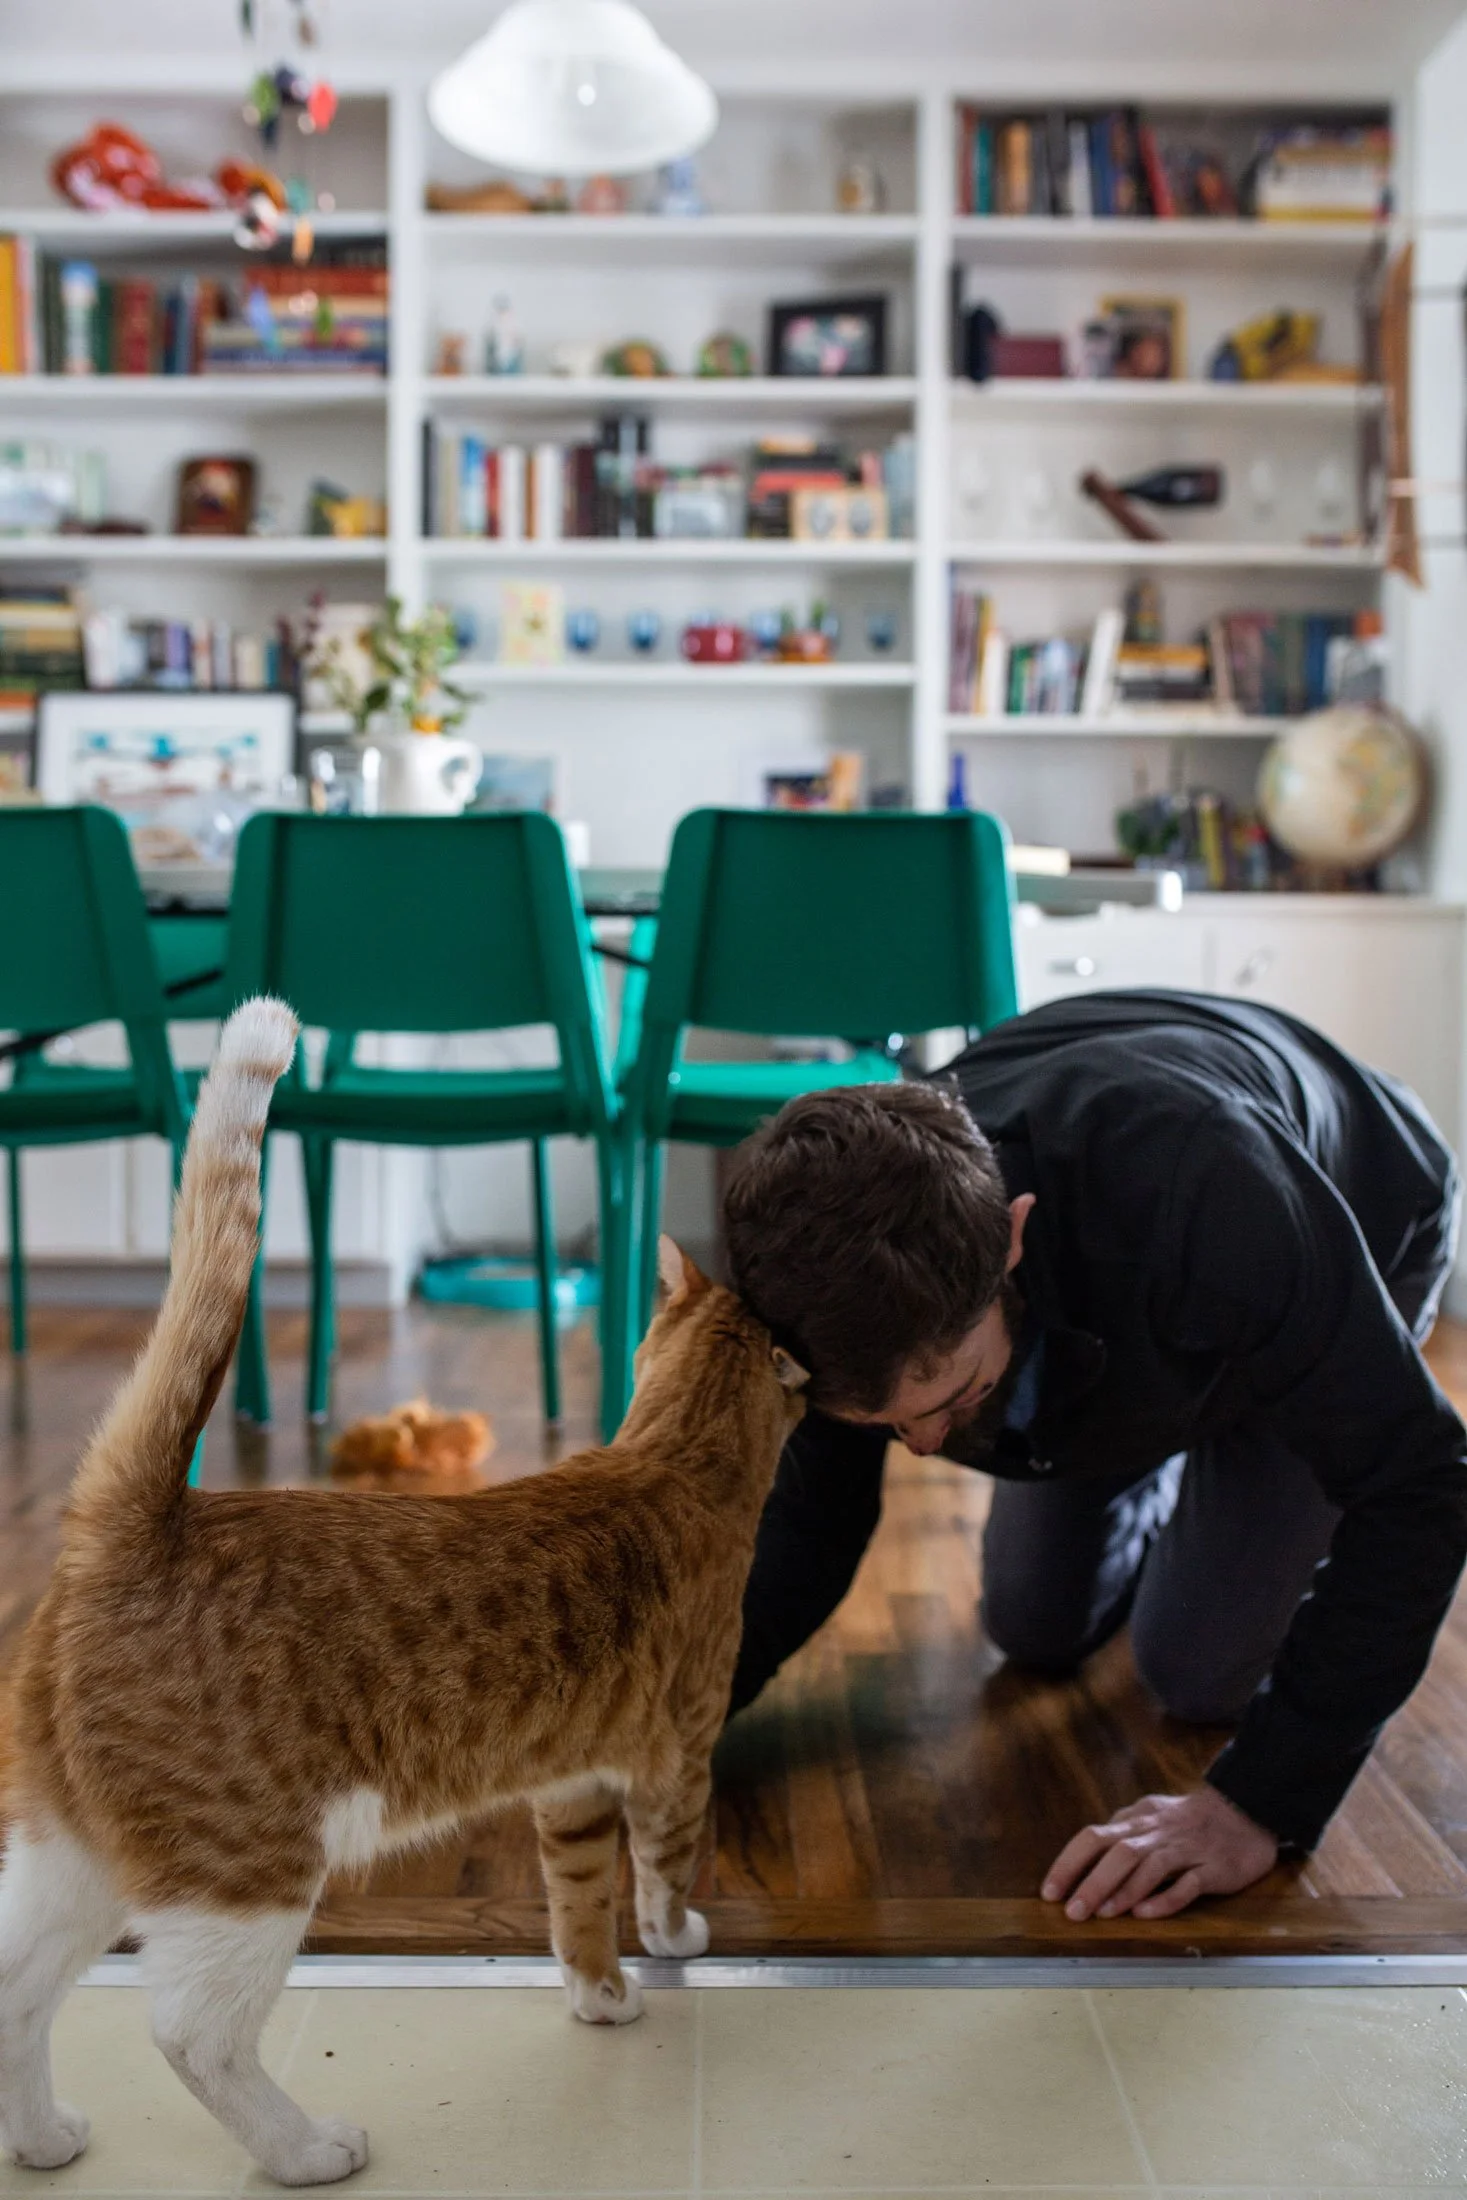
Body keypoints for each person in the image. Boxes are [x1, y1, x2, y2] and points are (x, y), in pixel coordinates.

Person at [720, 990, 1467, 1923]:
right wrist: (677, 1717)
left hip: (1349, 1196)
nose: (921, 1446)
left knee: (1197, 1673)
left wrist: (1260, 1803)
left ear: (1011, 1242)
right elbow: (808, 1523)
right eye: (886, 1427)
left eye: (949, 1400)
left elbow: (1423, 1483)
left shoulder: (1203, 1187)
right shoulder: (830, 1281)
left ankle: (1235, 1439)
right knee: (1033, 1624)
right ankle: (1168, 1444)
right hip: (1135, 1281)